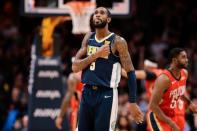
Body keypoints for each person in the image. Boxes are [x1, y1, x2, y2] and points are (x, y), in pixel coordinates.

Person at [71, 7, 143, 131]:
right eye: (96, 13)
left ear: (108, 19)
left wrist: (132, 102)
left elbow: (131, 72)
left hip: (106, 94)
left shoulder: (118, 41)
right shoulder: (88, 38)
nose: (98, 15)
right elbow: (75, 67)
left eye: (102, 13)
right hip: (87, 92)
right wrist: (96, 55)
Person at [149, 48, 197, 131]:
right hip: (159, 117)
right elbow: (153, 106)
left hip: (171, 115)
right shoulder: (164, 79)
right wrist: (170, 123)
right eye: (183, 57)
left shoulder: (184, 73)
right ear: (174, 60)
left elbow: (179, 93)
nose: (187, 60)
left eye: (186, 57)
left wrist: (189, 103)